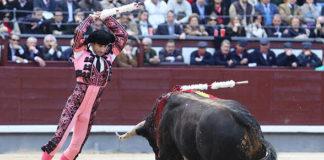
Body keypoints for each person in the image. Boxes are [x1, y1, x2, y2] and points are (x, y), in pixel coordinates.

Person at [41, 10, 128, 160]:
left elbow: (122, 36)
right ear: (92, 43)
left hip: (90, 111)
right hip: (74, 106)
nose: (102, 49)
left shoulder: (109, 55)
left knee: (76, 148)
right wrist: (90, 19)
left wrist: (106, 18)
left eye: (105, 46)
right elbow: (79, 33)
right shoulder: (80, 53)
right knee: (57, 143)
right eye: (99, 46)